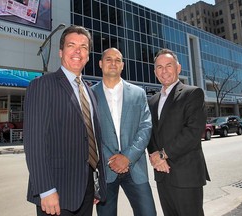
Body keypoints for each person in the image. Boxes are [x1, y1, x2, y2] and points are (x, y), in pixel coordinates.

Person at [23, 25, 106, 216]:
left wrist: (95, 183)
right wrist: (46, 189)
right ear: (61, 52)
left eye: (84, 47)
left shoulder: (90, 92)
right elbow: (34, 143)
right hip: (56, 191)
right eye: (71, 45)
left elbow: (91, 139)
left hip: (86, 190)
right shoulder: (42, 85)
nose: (78, 51)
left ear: (88, 54)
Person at [92, 48, 156, 216]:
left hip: (135, 167)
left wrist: (127, 157)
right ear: (100, 64)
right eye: (108, 59)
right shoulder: (90, 94)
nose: (113, 63)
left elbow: (146, 127)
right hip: (105, 170)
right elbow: (89, 131)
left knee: (148, 213)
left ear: (122, 65)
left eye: (117, 60)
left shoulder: (138, 93)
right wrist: (111, 159)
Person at [147, 48, 210, 216]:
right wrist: (155, 156)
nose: (164, 71)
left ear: (178, 68)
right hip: (162, 175)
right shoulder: (152, 101)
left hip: (186, 175)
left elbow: (193, 132)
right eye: (159, 67)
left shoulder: (193, 93)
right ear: (155, 72)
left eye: (169, 65)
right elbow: (150, 133)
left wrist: (162, 154)